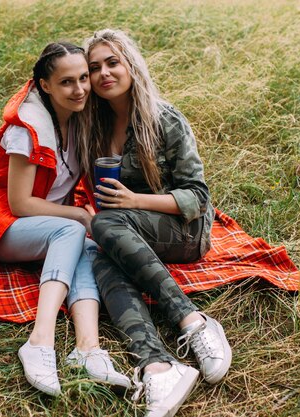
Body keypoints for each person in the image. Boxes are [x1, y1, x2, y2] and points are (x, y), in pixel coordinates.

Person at [0, 42, 130, 396]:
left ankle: (88, 349)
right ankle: (40, 340)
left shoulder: (81, 118)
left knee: (85, 241)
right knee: (72, 229)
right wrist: (80, 214)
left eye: (83, 78)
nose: (80, 89)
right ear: (45, 85)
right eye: (67, 82)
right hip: (4, 224)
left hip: (50, 225)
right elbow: (20, 203)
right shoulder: (27, 129)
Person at [79, 29, 232, 416]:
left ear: (131, 64)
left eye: (112, 63)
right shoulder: (92, 127)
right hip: (127, 230)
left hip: (185, 230)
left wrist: (134, 201)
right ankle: (157, 366)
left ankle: (192, 321)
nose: (104, 74)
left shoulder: (163, 118)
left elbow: (197, 198)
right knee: (100, 254)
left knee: (103, 228)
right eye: (94, 68)